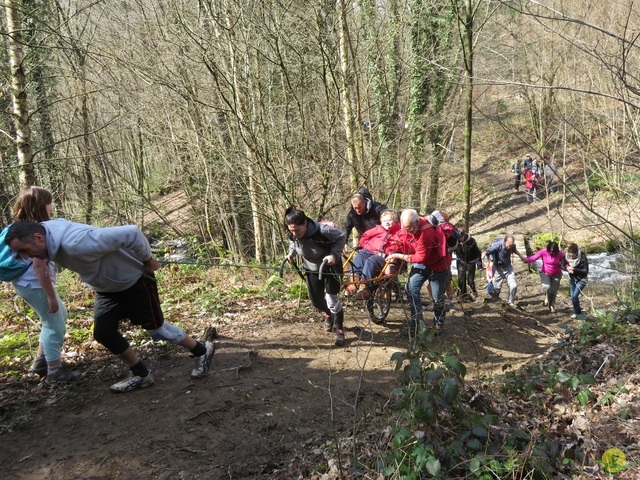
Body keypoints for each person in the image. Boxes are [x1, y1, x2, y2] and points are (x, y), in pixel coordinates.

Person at [5, 220, 215, 393]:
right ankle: (142, 374)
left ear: (38, 238)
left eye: (25, 250)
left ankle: (201, 350)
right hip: (107, 288)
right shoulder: (46, 236)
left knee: (157, 330)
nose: (25, 257)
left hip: (135, 282)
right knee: (104, 333)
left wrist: (148, 259)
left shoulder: (77, 243)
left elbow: (131, 232)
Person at [10, 187, 80, 386]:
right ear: (42, 205)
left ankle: (41, 362)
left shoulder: (21, 227)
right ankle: (54, 373)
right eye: (49, 202)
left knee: (59, 316)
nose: (52, 207)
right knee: (55, 327)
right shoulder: (34, 230)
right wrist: (50, 296)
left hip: (27, 284)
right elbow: (39, 267)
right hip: (35, 285)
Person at [285, 207, 348, 346]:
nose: (294, 233)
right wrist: (291, 254)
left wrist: (333, 255)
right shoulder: (293, 234)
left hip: (330, 268)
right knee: (316, 302)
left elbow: (341, 237)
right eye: (291, 230)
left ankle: (340, 330)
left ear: (305, 223)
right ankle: (328, 314)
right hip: (311, 268)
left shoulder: (322, 230)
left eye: (297, 230)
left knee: (332, 300)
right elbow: (293, 243)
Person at [387, 209, 448, 335]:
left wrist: (398, 255)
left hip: (438, 264)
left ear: (417, 222)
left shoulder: (427, 233)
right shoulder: (411, 226)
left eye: (409, 228)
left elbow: (419, 257)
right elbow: (412, 246)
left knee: (437, 297)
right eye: (405, 228)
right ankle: (417, 323)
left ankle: (439, 323)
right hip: (424, 261)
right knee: (410, 287)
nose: (407, 231)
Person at [347, 209, 412, 300]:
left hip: (385, 257)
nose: (387, 222)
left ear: (396, 221)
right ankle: (353, 283)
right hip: (369, 251)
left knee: (371, 261)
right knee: (359, 256)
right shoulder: (377, 229)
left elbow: (408, 248)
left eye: (390, 220)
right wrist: (367, 246)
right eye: (384, 220)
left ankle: (365, 288)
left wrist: (400, 245)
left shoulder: (401, 232)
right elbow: (364, 238)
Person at [482, 234, 525, 307]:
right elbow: (486, 252)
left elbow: (514, 250)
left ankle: (510, 302)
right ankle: (495, 299)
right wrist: (482, 259)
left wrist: (521, 256)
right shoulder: (497, 245)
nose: (508, 248)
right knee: (496, 289)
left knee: (513, 285)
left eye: (510, 246)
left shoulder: (512, 246)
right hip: (498, 269)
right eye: (507, 246)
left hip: (508, 268)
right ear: (504, 242)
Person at [522, 241, 565, 313]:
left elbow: (565, 263)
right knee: (546, 287)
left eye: (553, 251)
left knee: (553, 291)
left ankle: (552, 306)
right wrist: (526, 260)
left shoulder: (560, 254)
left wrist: (568, 267)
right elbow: (534, 257)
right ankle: (547, 298)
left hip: (557, 274)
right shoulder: (544, 252)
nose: (552, 252)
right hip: (545, 272)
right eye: (550, 250)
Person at [561, 243, 589, 318]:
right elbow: (562, 265)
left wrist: (574, 270)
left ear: (576, 253)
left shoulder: (582, 256)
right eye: (569, 255)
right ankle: (578, 312)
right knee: (573, 297)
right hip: (572, 279)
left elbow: (585, 271)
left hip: (582, 279)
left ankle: (577, 313)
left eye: (572, 255)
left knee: (574, 296)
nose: (570, 257)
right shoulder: (566, 256)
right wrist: (567, 268)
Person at [455, 228, 482, 301]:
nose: (460, 239)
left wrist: (479, 265)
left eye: (461, 237)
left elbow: (478, 253)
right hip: (460, 262)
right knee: (461, 280)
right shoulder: (455, 241)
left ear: (464, 235)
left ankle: (474, 291)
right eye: (458, 238)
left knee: (470, 281)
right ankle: (462, 294)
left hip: (470, 262)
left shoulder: (471, 241)